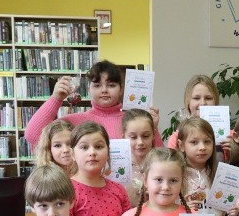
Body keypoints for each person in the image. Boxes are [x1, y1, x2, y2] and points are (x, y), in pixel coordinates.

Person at [24, 59, 162, 149]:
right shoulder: (75, 122)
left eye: (111, 85)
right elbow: (33, 135)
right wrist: (55, 99)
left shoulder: (135, 121)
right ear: (89, 89)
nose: (104, 90)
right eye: (97, 85)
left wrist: (153, 129)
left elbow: (158, 156)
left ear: (121, 89)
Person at [167, 74, 222, 148]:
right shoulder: (177, 137)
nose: (202, 103)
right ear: (188, 102)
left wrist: (234, 150)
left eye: (208, 98)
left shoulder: (229, 135)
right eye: (196, 98)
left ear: (216, 101)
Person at [122, 109, 155, 206]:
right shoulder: (116, 169)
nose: (140, 142)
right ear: (123, 136)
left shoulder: (161, 164)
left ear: (153, 135)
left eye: (145, 136)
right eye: (133, 137)